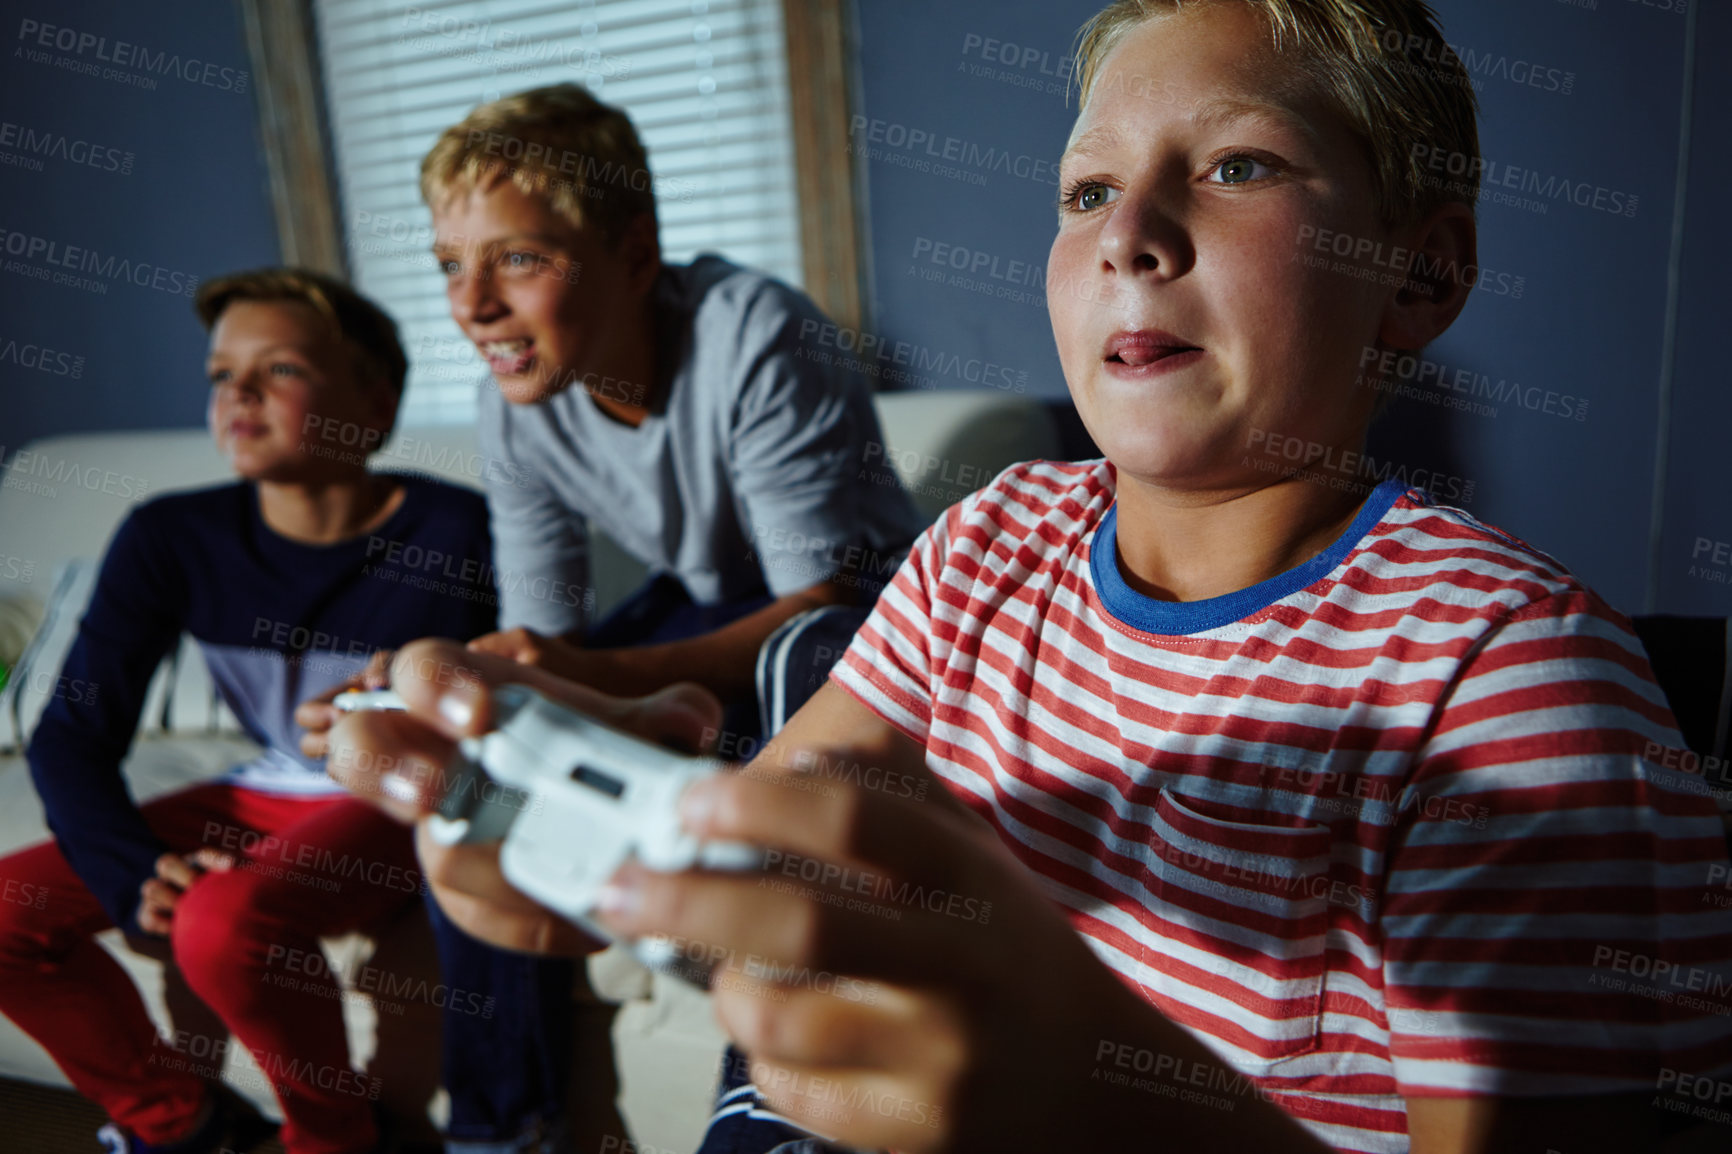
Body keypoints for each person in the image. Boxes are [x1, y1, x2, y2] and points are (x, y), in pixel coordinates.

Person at [325, 1, 1732, 1150]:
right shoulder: (993, 539)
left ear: (1419, 275)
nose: (1131, 230)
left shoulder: (1510, 683)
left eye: (1236, 164)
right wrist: (593, 819)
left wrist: (1100, 1096)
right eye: (1087, 189)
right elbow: (801, 819)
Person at [299, 84, 924, 1154]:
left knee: (772, 696)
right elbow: (543, 628)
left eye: (520, 259)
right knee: (484, 738)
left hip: (857, 606)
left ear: (634, 256)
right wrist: (459, 686)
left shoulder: (754, 330)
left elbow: (819, 601)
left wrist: (595, 673)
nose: (474, 304)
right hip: (703, 593)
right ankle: (509, 1129)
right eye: (453, 264)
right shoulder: (515, 399)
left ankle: (771, 1100)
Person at [0, 270, 497, 1154]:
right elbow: (74, 728)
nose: (238, 393)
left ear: (372, 403)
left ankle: (335, 1138)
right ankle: (183, 1127)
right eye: (221, 375)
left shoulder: (454, 530)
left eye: (279, 370)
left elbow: (500, 718)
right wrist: (130, 868)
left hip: (390, 798)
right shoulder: (169, 535)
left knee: (221, 921)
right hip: (267, 788)